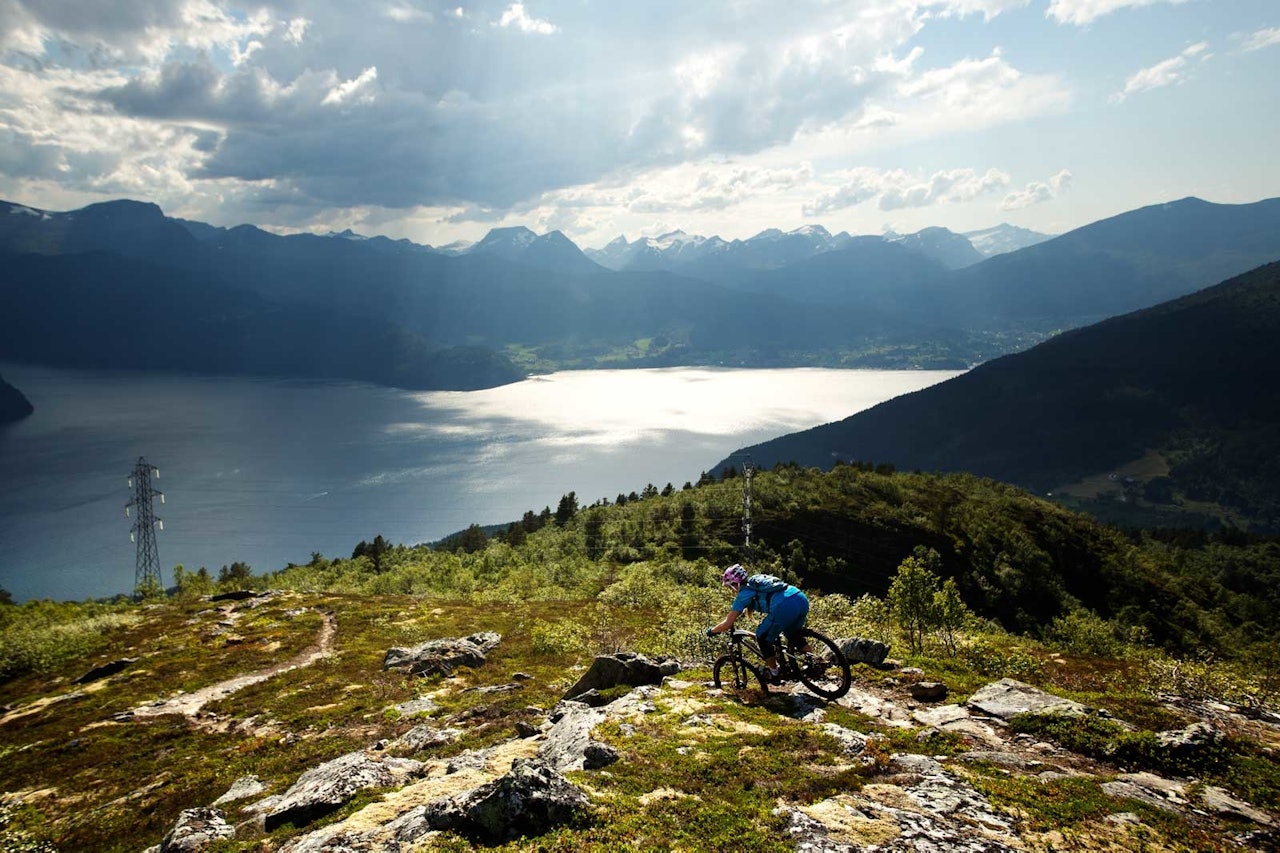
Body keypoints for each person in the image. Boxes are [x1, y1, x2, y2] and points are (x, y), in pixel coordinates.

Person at [706, 563, 810, 682]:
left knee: (762, 637)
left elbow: (727, 624)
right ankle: (815, 662)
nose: (731, 590)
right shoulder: (756, 581)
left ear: (735, 584)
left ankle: (774, 674)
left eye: (730, 587)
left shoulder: (743, 595)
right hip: (799, 597)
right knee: (793, 634)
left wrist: (712, 631)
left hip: (783, 606)